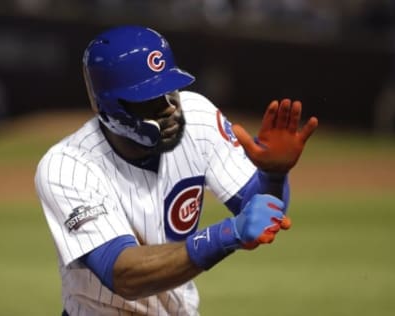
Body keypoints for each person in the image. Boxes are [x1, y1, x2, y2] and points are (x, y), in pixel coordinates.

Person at [34, 25, 318, 316]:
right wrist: (226, 234)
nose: (169, 108)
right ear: (110, 106)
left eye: (170, 91)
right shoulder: (67, 166)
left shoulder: (198, 118)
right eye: (150, 98)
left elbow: (263, 211)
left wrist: (272, 176)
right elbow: (124, 275)